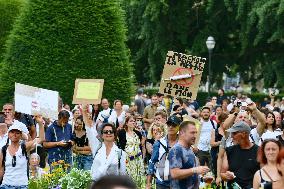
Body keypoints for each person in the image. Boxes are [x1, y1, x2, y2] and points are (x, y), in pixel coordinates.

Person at [82, 105, 126, 182]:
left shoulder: (120, 153)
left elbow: (122, 175)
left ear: (115, 135)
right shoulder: (97, 147)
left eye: (111, 131)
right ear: (102, 135)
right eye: (105, 132)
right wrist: (84, 111)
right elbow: (89, 129)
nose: (108, 133)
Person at [0, 116, 44, 189]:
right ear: (8, 134)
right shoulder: (4, 150)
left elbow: (41, 139)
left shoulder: (24, 147)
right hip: (6, 185)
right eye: (12, 132)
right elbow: (1, 169)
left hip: (22, 185)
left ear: (21, 135)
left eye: (17, 133)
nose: (14, 134)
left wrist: (40, 123)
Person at [169, 121, 210, 189]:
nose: (195, 136)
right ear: (182, 133)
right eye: (192, 133)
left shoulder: (190, 149)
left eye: (196, 133)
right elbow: (174, 173)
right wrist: (195, 170)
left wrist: (202, 178)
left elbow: (191, 172)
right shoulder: (176, 150)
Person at [221, 121, 260, 188]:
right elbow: (222, 173)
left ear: (244, 134)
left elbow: (265, 175)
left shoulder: (259, 151)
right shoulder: (229, 150)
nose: (231, 136)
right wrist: (226, 176)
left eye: (234, 133)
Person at [146, 115, 181, 189]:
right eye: (169, 124)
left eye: (174, 125)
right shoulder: (159, 143)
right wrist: (148, 183)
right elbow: (152, 161)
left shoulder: (184, 144)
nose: (171, 127)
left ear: (179, 127)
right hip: (161, 182)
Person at [117, 115, 145, 184]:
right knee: (128, 179)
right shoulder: (122, 132)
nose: (133, 122)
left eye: (134, 121)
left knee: (139, 179)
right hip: (127, 159)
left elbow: (142, 145)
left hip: (138, 158)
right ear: (126, 123)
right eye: (131, 121)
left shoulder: (138, 133)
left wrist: (143, 158)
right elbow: (118, 145)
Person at [210, 112, 228, 177]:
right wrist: (222, 142)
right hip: (216, 153)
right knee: (217, 172)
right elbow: (212, 143)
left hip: (226, 155)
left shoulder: (230, 131)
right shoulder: (215, 131)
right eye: (224, 121)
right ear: (220, 121)